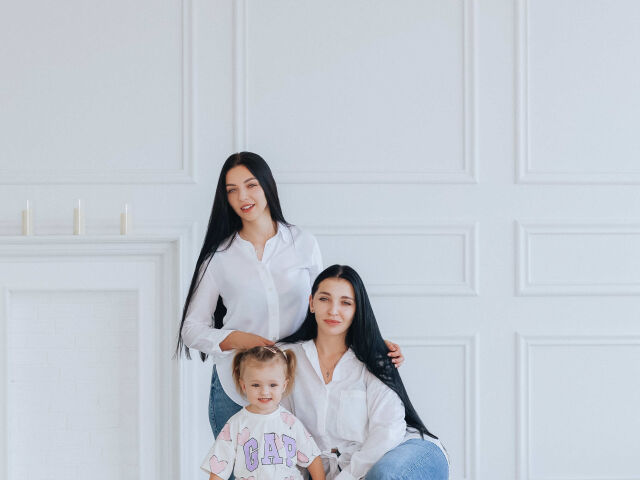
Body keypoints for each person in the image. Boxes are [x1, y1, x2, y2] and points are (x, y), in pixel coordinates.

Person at [176, 152, 405, 442]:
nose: (242, 197)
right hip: (237, 385)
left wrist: (370, 342)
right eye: (232, 190)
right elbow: (191, 329)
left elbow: (326, 306)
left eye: (251, 185)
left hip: (296, 386)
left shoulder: (303, 243)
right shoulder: (218, 258)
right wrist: (238, 339)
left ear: (267, 185)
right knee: (236, 466)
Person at [279, 265, 449, 480]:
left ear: (357, 309)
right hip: (332, 468)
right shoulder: (286, 358)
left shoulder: (373, 358)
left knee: (383, 475)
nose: (333, 310)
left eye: (346, 302)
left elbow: (387, 430)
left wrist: (347, 477)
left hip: (400, 452)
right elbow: (279, 424)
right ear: (312, 303)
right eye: (324, 299)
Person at [201, 346, 325, 480]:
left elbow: (313, 457)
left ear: (283, 385)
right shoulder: (235, 424)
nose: (264, 392)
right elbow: (218, 469)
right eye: (256, 385)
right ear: (244, 386)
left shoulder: (290, 423)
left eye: (273, 385)